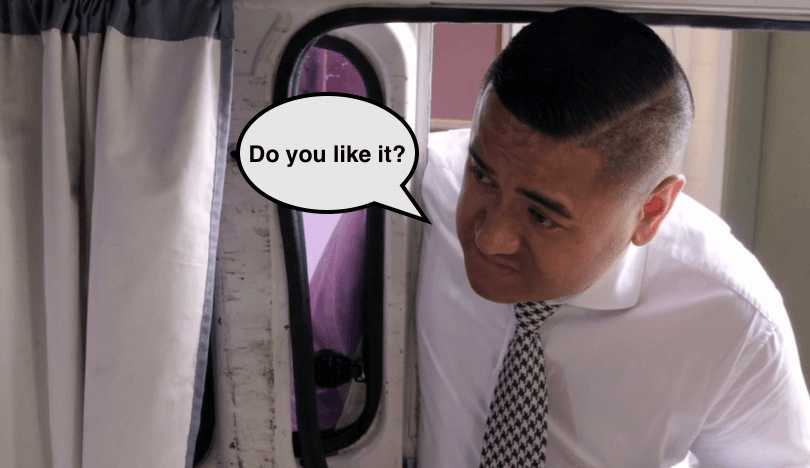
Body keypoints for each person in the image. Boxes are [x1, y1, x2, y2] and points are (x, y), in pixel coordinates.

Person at [416, 6, 810, 467]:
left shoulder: (733, 317)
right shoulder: (417, 190)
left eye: (541, 216)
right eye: (482, 176)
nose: (490, 238)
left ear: (651, 211)